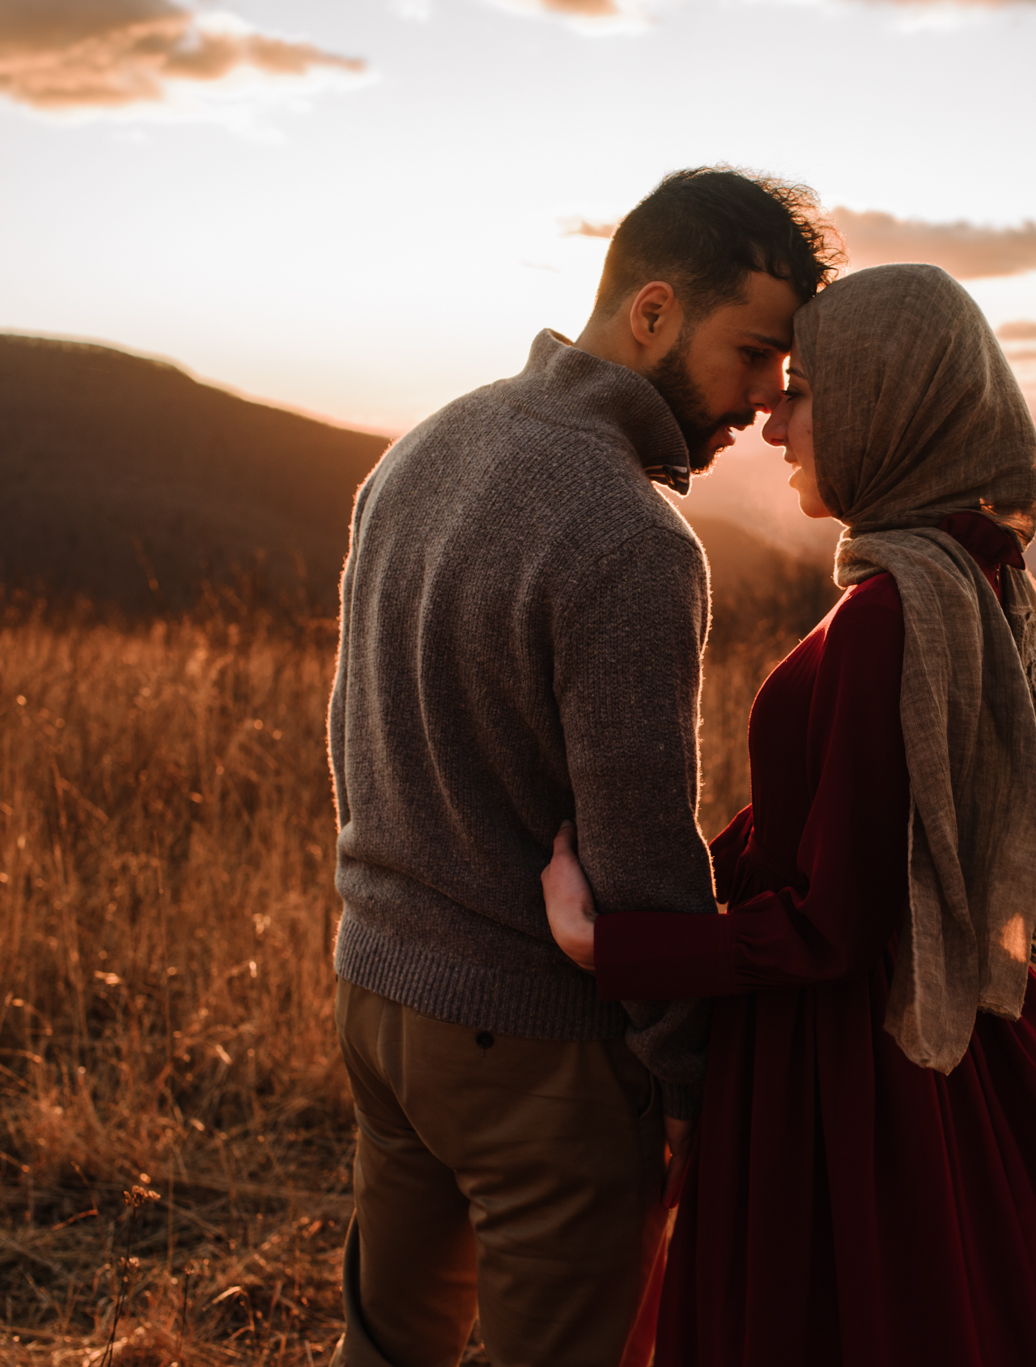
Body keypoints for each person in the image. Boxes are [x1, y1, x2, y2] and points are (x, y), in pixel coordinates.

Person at [543, 263, 1036, 1366]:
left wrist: (612, 939)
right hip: (932, 1044)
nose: (773, 421)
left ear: (891, 404)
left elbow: (834, 920)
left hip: (853, 1071)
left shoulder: (892, 610)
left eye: (807, 392)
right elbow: (839, 818)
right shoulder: (965, 573)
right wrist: (687, 865)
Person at [326, 167, 841, 1367]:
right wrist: (690, 1078)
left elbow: (357, 733)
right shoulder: (630, 534)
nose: (762, 402)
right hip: (534, 1048)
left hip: (377, 994)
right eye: (753, 353)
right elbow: (638, 854)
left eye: (784, 370)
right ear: (652, 312)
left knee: (384, 1345)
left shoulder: (422, 445)